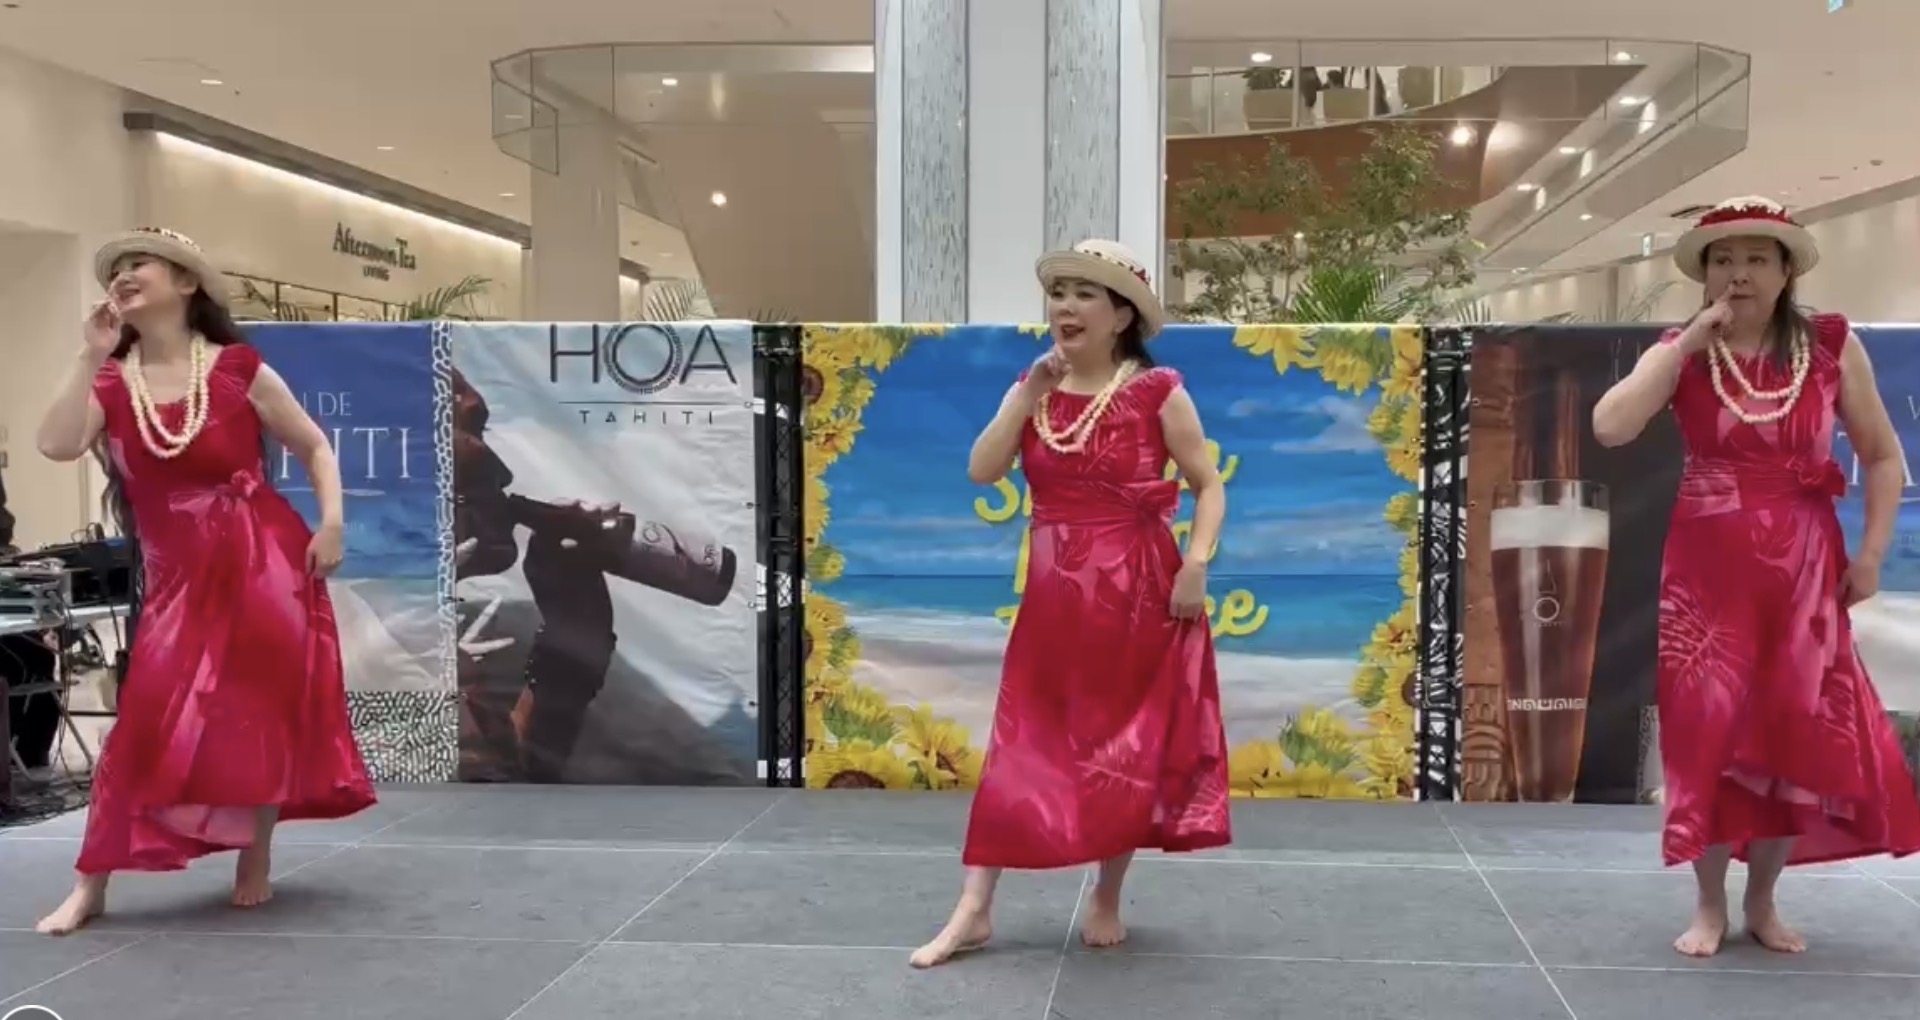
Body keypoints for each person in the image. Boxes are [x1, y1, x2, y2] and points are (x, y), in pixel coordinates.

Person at [1592, 197, 1920, 958]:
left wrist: (1871, 553)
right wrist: (1686, 345)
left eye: (1756, 259)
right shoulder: (1682, 351)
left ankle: (1763, 900)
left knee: (1790, 735)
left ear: (1785, 270)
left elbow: (1881, 456)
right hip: (1707, 572)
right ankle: (1709, 904)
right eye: (1723, 260)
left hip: (1804, 569)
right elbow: (1611, 425)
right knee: (1708, 733)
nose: (1738, 274)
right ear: (1704, 274)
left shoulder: (1830, 344)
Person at [31, 228, 377, 935]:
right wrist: (88, 353)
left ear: (186, 283)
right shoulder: (111, 380)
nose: (124, 275)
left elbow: (314, 445)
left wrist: (332, 524)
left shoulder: (238, 368)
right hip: (176, 578)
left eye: (140, 264)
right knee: (145, 718)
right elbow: (56, 444)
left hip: (265, 561)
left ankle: (256, 855)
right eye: (116, 269)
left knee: (258, 711)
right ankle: (91, 882)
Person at [910, 239, 1233, 969]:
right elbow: (981, 470)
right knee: (1020, 742)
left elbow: (1208, 484)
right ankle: (974, 907)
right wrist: (1026, 395)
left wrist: (1197, 564)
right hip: (1054, 596)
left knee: (1124, 747)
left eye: (1086, 294)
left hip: (1139, 592)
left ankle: (1107, 894)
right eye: (1059, 293)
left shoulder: (1158, 390)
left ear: (1121, 316)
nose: (1066, 306)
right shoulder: (1035, 389)